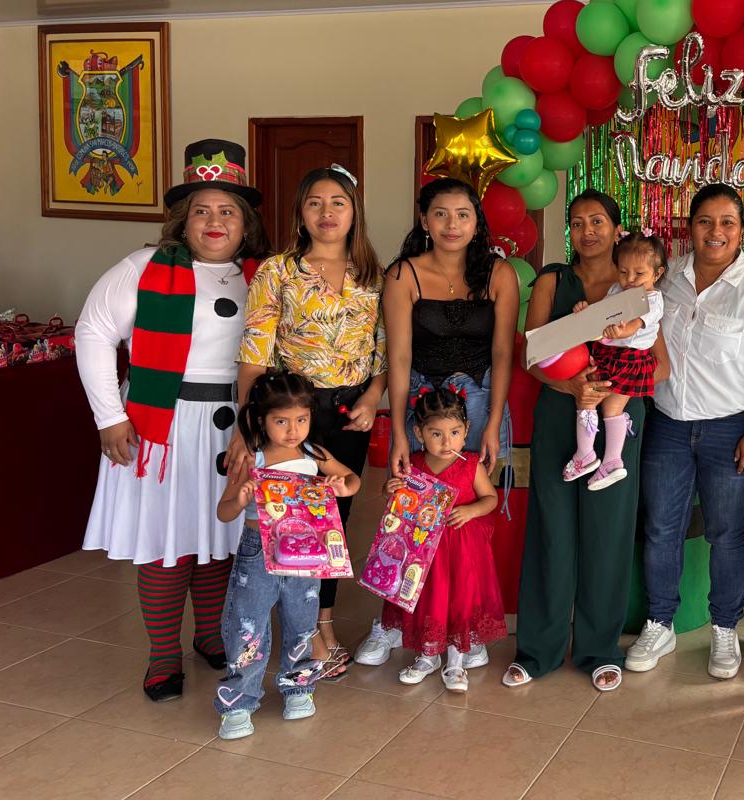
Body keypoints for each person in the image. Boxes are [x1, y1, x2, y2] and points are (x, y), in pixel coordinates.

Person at [76, 139, 268, 702]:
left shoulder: (262, 276)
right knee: (168, 543)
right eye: (202, 211)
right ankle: (163, 655)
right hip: (163, 426)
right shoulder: (143, 268)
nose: (215, 221)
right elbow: (92, 332)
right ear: (184, 220)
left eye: (227, 211)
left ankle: (209, 636)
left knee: (221, 538)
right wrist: (109, 416)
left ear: (245, 222)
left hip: (237, 426)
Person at [627, 183, 744, 680]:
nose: (715, 232)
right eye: (705, 221)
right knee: (662, 528)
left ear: (742, 231)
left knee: (725, 533)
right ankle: (660, 622)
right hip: (667, 426)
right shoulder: (664, 279)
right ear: (690, 227)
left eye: (727, 222)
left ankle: (724, 626)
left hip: (731, 430)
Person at [505, 190, 670, 693]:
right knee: (552, 529)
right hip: (562, 413)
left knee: (608, 531)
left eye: (597, 221)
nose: (587, 231)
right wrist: (572, 388)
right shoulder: (553, 281)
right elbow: (531, 355)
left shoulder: (638, 290)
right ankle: (538, 650)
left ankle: (599, 649)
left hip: (618, 413)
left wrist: (614, 388)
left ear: (617, 229)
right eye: (577, 223)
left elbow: (662, 366)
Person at [355, 177, 518, 669]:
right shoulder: (403, 273)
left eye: (463, 214)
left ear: (477, 222)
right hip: (420, 403)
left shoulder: (499, 273)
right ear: (425, 220)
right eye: (441, 214)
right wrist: (398, 432)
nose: (452, 224)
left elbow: (503, 352)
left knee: (468, 525)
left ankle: (464, 628)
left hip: (479, 402)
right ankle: (392, 624)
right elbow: (399, 355)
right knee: (408, 520)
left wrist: (493, 423)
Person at [230, 164, 386, 678]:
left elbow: (382, 350)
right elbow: (254, 355)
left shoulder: (373, 274)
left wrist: (374, 397)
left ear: (354, 212)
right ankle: (286, 628)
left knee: (334, 519)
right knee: (291, 521)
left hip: (350, 413)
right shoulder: (277, 272)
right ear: (300, 213)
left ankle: (322, 624)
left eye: (338, 202)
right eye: (314, 202)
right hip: (292, 417)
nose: (326, 213)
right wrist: (248, 427)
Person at [213, 372, 361, 740]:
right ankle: (238, 702)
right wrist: (241, 498)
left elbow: (351, 479)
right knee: (248, 625)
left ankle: (298, 688)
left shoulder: (313, 453)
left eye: (301, 419)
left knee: (302, 622)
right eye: (281, 421)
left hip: (306, 554)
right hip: (258, 552)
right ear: (261, 419)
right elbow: (224, 512)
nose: (293, 430)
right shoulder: (253, 457)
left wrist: (340, 487)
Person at [385, 386, 505, 692]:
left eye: (454, 433)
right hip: (426, 551)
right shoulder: (414, 465)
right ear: (419, 433)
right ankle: (428, 656)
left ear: (466, 431)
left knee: (458, 601)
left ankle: (456, 661)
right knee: (429, 599)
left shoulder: (470, 465)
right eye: (436, 434)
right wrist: (392, 489)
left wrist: (471, 510)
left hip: (461, 549)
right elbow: (404, 503)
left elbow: (491, 498)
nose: (446, 442)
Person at [563, 229, 667, 490]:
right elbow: (602, 315)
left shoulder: (653, 299)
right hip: (608, 355)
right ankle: (597, 457)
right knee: (593, 401)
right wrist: (586, 312)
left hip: (629, 360)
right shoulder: (616, 289)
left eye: (639, 274)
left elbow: (635, 324)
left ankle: (601, 458)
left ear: (657, 274)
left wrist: (621, 331)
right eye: (623, 272)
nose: (629, 280)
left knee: (605, 406)